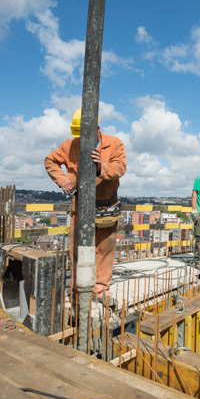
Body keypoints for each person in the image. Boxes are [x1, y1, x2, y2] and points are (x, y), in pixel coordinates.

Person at [44, 108, 127, 301]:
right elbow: (50, 161)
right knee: (78, 249)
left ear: (97, 128)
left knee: (104, 249)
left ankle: (100, 289)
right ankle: (78, 292)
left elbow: (120, 167)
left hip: (107, 205)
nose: (81, 137)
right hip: (80, 204)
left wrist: (101, 167)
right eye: (79, 133)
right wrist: (62, 179)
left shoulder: (113, 144)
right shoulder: (69, 145)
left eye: (85, 133)